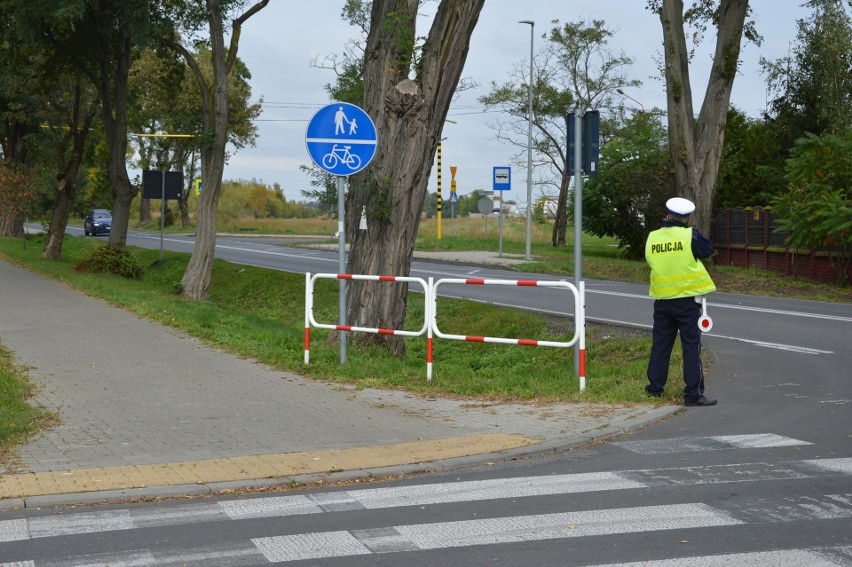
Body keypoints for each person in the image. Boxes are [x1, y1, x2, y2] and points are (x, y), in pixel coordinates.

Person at [644, 197, 718, 406]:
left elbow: (651, 260)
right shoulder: (690, 235)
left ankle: (654, 390)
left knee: (660, 345)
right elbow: (707, 250)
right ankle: (693, 395)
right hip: (687, 301)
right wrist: (693, 232)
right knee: (691, 347)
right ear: (687, 218)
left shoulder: (653, 237)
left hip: (662, 300)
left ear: (667, 214)